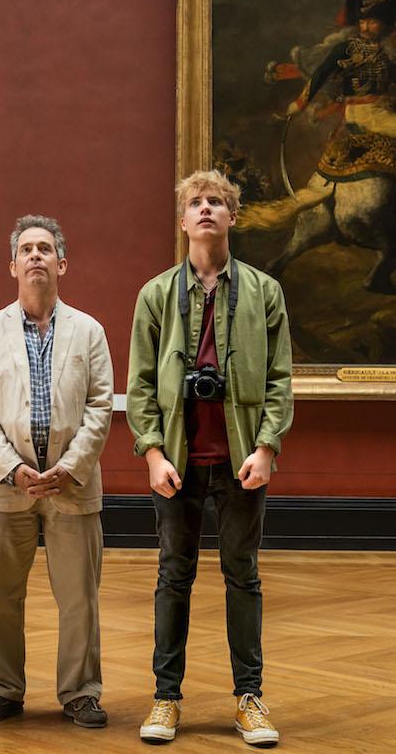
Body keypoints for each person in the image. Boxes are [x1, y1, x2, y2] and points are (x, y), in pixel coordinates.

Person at [127, 170, 293, 747]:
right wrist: (150, 452)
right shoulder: (154, 295)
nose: (205, 210)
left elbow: (280, 380)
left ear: (232, 217)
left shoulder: (265, 292)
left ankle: (249, 698)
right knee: (174, 577)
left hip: (242, 459)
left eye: (216, 203)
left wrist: (267, 447)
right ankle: (166, 698)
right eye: (195, 203)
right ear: (182, 221)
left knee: (242, 576)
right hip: (176, 461)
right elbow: (141, 384)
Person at [0, 216, 113, 728]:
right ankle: (4, 687)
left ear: (61, 263)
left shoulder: (90, 331)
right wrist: (12, 469)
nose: (35, 256)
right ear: (12, 266)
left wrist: (70, 468)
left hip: (74, 487)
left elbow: (100, 406)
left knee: (79, 599)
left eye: (44, 249)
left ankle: (80, 692)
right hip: (9, 488)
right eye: (26, 249)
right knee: (0, 597)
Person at [286, 0, 396, 171]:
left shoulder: (382, 49)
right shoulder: (346, 48)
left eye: (372, 22)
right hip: (365, 114)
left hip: (383, 108)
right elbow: (321, 74)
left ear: (384, 23)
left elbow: (391, 79)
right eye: (362, 22)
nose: (365, 27)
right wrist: (299, 103)